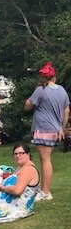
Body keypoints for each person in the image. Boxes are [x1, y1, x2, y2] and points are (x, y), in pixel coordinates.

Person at [24, 62, 70, 201]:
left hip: (43, 128)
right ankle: (44, 188)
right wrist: (62, 128)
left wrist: (29, 99)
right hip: (55, 129)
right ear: (53, 77)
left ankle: (45, 192)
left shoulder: (41, 90)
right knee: (47, 160)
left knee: (45, 160)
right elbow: (66, 111)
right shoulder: (62, 90)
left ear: (42, 78)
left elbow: (28, 106)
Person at [0, 143, 40, 224]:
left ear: (28, 154)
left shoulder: (28, 169)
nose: (18, 156)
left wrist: (1, 188)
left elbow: (17, 190)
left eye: (21, 153)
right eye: (16, 154)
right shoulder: (21, 168)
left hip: (14, 208)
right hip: (5, 204)